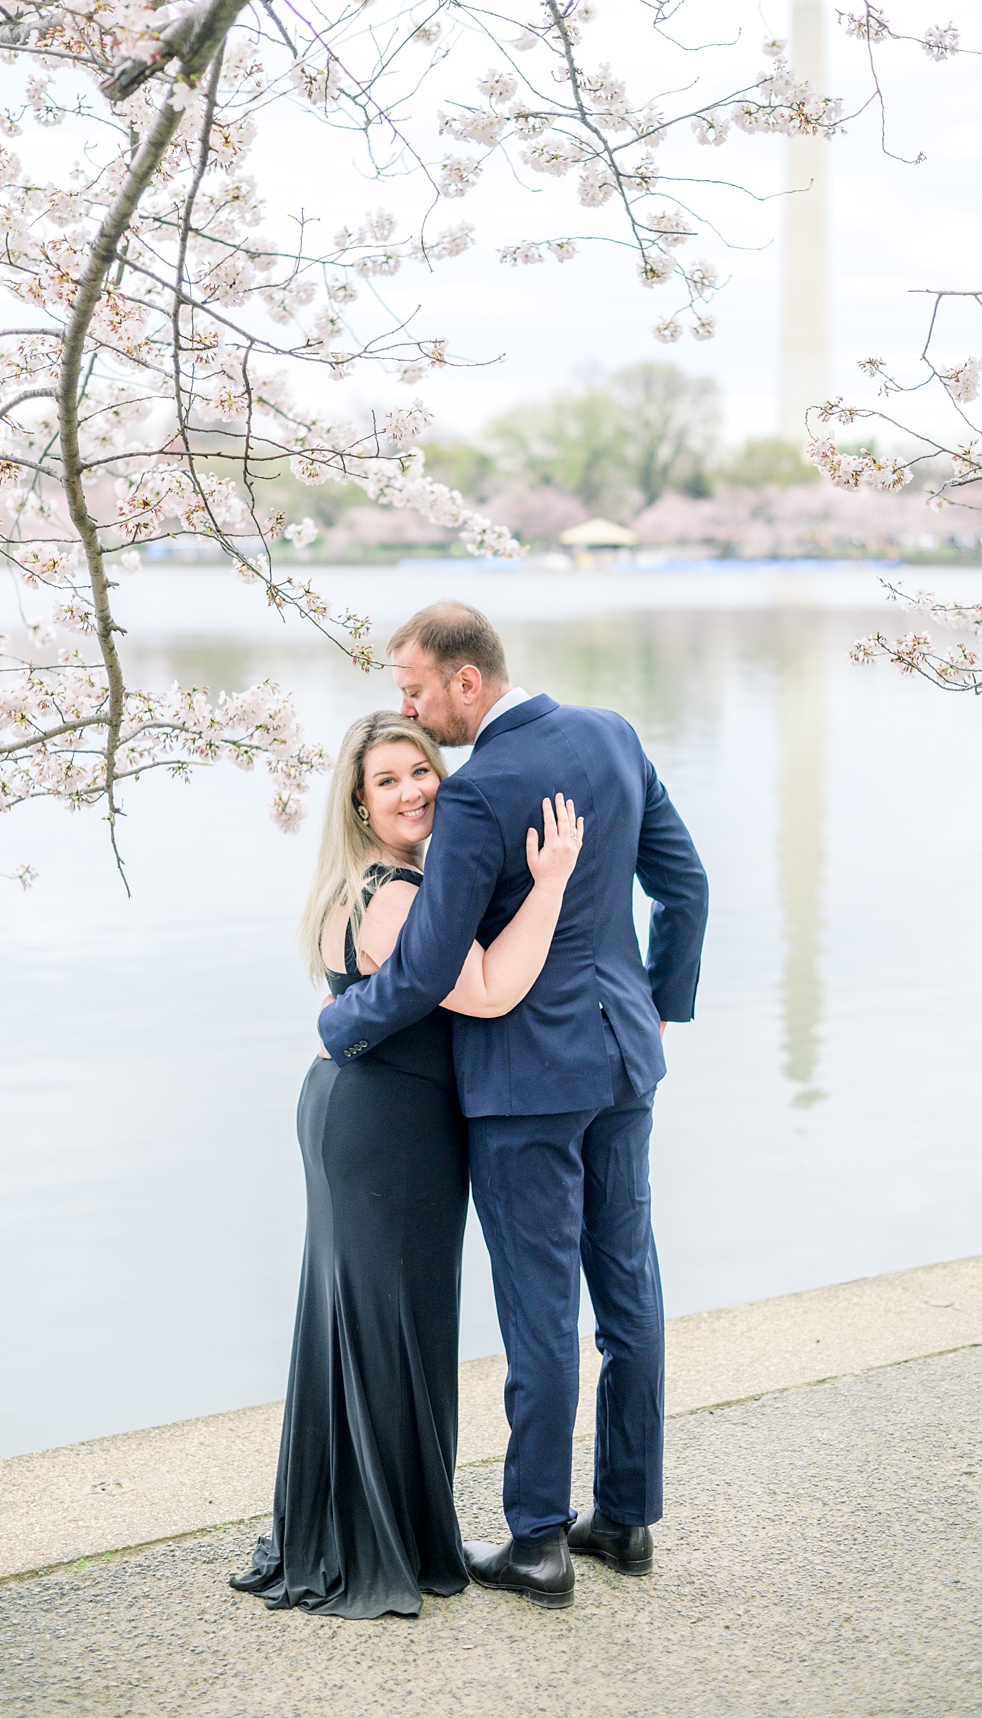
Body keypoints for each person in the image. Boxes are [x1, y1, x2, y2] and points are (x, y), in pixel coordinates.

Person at [317, 602, 708, 1609]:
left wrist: (341, 1025)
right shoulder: (614, 735)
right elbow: (688, 886)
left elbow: (426, 966)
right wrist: (662, 1004)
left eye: (415, 687)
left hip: (526, 1086)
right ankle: (624, 1516)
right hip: (624, 1062)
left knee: (541, 1310)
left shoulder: (479, 793)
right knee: (630, 1292)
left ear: (467, 682)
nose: (406, 705)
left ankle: (537, 1538)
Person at [232, 711, 583, 1619]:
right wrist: (549, 887)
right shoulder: (394, 896)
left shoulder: (376, 883)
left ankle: (361, 1520)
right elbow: (493, 992)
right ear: (358, 800)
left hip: (363, 1110)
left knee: (368, 1323)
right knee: (391, 1328)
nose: (413, 790)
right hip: (387, 1124)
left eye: (421, 770)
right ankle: (381, 1537)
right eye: (386, 781)